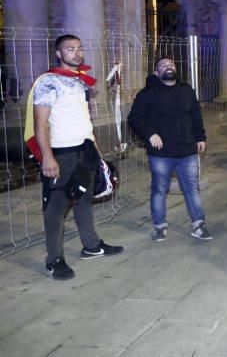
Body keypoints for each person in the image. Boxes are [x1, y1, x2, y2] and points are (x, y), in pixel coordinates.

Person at [30, 34, 124, 279]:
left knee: (84, 200)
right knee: (56, 207)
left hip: (86, 149)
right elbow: (41, 124)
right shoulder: (48, 81)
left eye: (80, 48)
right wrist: (47, 158)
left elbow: (82, 119)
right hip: (63, 153)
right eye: (70, 49)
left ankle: (91, 247)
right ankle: (54, 260)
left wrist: (95, 148)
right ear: (59, 54)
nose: (77, 53)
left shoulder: (80, 80)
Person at [128, 56, 212, 242]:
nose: (168, 66)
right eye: (163, 65)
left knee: (192, 189)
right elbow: (134, 118)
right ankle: (159, 226)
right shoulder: (148, 94)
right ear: (157, 73)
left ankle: (198, 225)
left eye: (171, 64)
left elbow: (196, 115)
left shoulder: (186, 91)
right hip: (161, 154)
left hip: (187, 151)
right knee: (159, 190)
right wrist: (150, 134)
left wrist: (200, 137)